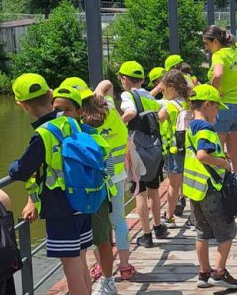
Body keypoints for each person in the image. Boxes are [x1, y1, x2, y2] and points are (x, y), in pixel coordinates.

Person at [8, 73, 103, 295]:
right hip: (83, 201)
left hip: (61, 209)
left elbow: (22, 170)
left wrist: (13, 168)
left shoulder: (42, 135)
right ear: (51, 95)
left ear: (21, 104)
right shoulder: (71, 122)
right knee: (81, 264)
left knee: (72, 270)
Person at [52, 84, 117, 295]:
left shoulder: (91, 135)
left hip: (93, 197)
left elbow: (108, 168)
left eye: (67, 110)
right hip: (67, 200)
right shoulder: (52, 134)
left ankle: (108, 281)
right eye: (57, 110)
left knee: (101, 240)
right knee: (77, 250)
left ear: (80, 111)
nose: (61, 115)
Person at [182, 84, 237, 288]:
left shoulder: (192, 126)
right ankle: (219, 272)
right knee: (227, 230)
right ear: (207, 105)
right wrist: (223, 162)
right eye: (217, 107)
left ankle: (204, 272)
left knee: (202, 232)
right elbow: (202, 155)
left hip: (195, 189)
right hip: (210, 188)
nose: (218, 111)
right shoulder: (206, 129)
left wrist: (218, 155)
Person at [79, 78, 136, 282]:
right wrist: (99, 92)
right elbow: (106, 82)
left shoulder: (80, 124)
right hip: (117, 177)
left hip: (96, 183)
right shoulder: (110, 110)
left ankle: (101, 268)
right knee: (119, 222)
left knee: (99, 229)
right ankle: (125, 266)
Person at [117, 60, 168, 248]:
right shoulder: (148, 95)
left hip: (138, 151)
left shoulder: (127, 95)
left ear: (124, 79)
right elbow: (161, 111)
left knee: (139, 192)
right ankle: (158, 227)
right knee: (154, 191)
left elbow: (130, 112)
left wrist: (119, 123)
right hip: (155, 148)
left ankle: (146, 236)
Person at [203, 25, 237, 173]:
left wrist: (213, 93)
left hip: (222, 108)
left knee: (217, 151)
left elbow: (218, 74)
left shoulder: (219, 55)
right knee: (235, 152)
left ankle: (220, 186)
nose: (206, 47)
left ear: (216, 41)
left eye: (207, 43)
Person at [158, 69, 192, 227]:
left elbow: (157, 119)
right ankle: (195, 217)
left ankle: (169, 216)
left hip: (175, 150)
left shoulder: (170, 106)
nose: (163, 92)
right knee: (191, 182)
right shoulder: (189, 102)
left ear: (172, 87)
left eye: (164, 89)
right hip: (191, 148)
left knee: (173, 184)